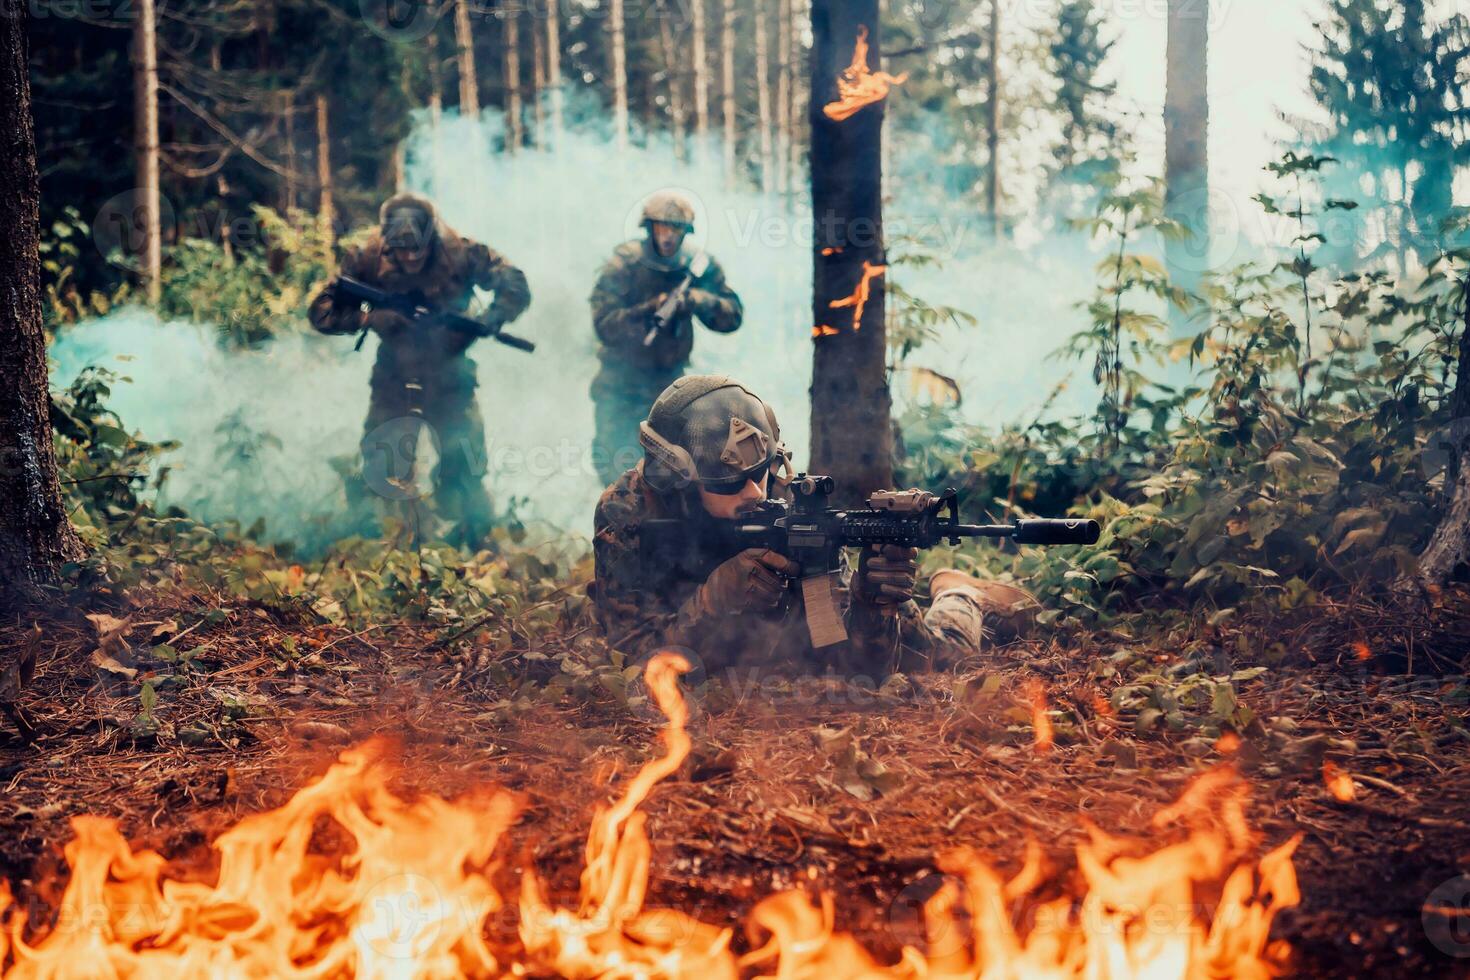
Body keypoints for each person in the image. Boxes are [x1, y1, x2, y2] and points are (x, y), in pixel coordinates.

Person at [589, 375, 1040, 678]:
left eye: (760, 472)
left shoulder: (789, 504)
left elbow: (860, 662)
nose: (754, 494)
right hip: (716, 643)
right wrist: (714, 599)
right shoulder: (630, 513)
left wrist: (871, 605)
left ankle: (960, 594)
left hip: (788, 636)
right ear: (679, 482)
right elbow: (632, 658)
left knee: (946, 657)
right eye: (729, 484)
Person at [308, 192, 531, 549]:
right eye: (402, 250)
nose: (411, 257)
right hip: (394, 375)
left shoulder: (461, 252)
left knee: (465, 468)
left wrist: (493, 316)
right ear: (388, 243)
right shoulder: (366, 257)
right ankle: (383, 551)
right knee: (382, 469)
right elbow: (320, 310)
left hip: (451, 376)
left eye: (418, 250)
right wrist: (368, 317)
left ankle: (474, 550)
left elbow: (515, 283)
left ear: (432, 238)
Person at [588, 191, 743, 485]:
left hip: (668, 386)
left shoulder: (697, 266)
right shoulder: (625, 265)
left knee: (673, 472)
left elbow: (732, 315)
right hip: (620, 383)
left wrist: (696, 299)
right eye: (662, 227)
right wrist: (649, 309)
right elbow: (604, 325)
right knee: (616, 468)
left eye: (676, 228)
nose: (668, 236)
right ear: (649, 228)